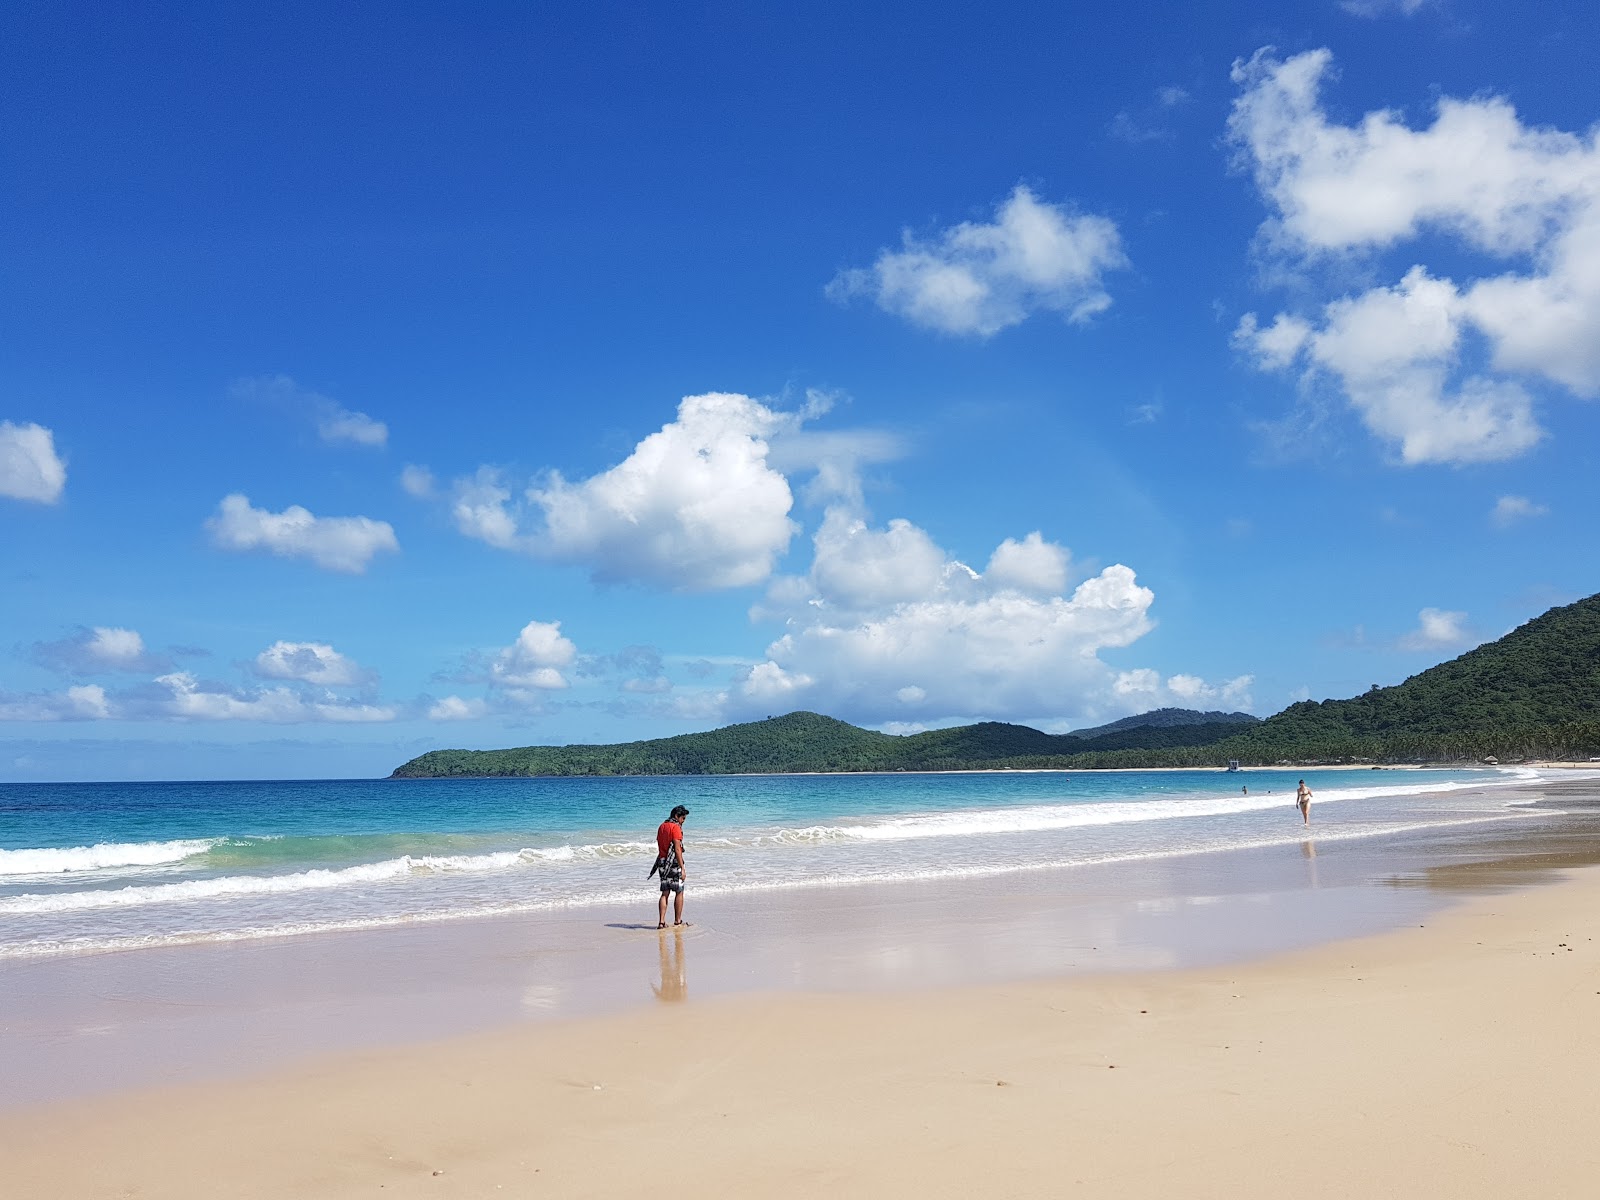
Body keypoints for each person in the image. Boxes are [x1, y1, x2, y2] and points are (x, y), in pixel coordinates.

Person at [653, 804, 689, 929]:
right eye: (683, 818)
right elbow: (677, 849)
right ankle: (677, 921)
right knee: (679, 891)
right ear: (676, 816)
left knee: (665, 892)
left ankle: (661, 922)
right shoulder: (675, 828)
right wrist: (682, 868)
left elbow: (660, 845)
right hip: (673, 862)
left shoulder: (661, 826)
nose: (683, 821)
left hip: (662, 862)